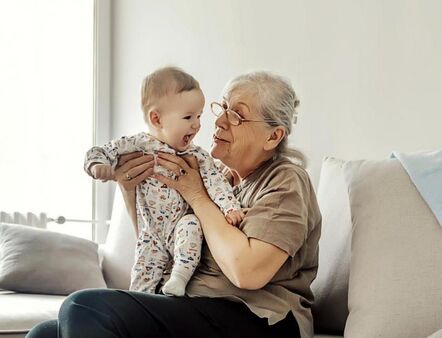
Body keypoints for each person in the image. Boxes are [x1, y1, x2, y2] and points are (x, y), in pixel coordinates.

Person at [27, 71, 322, 338]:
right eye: (221, 108)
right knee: (44, 334)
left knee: (86, 306)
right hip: (194, 307)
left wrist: (196, 195)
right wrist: (129, 190)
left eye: (236, 116)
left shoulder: (285, 179)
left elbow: (247, 273)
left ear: (273, 136)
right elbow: (163, 239)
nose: (218, 121)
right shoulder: (217, 177)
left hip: (259, 318)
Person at [84, 66, 243, 297]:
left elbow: (216, 182)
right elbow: (100, 151)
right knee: (141, 281)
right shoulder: (138, 144)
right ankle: (137, 308)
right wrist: (98, 167)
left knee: (191, 226)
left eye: (199, 116)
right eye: (188, 117)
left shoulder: (195, 156)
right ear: (156, 119)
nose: (197, 125)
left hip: (181, 225)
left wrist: (230, 207)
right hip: (151, 232)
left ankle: (179, 277)